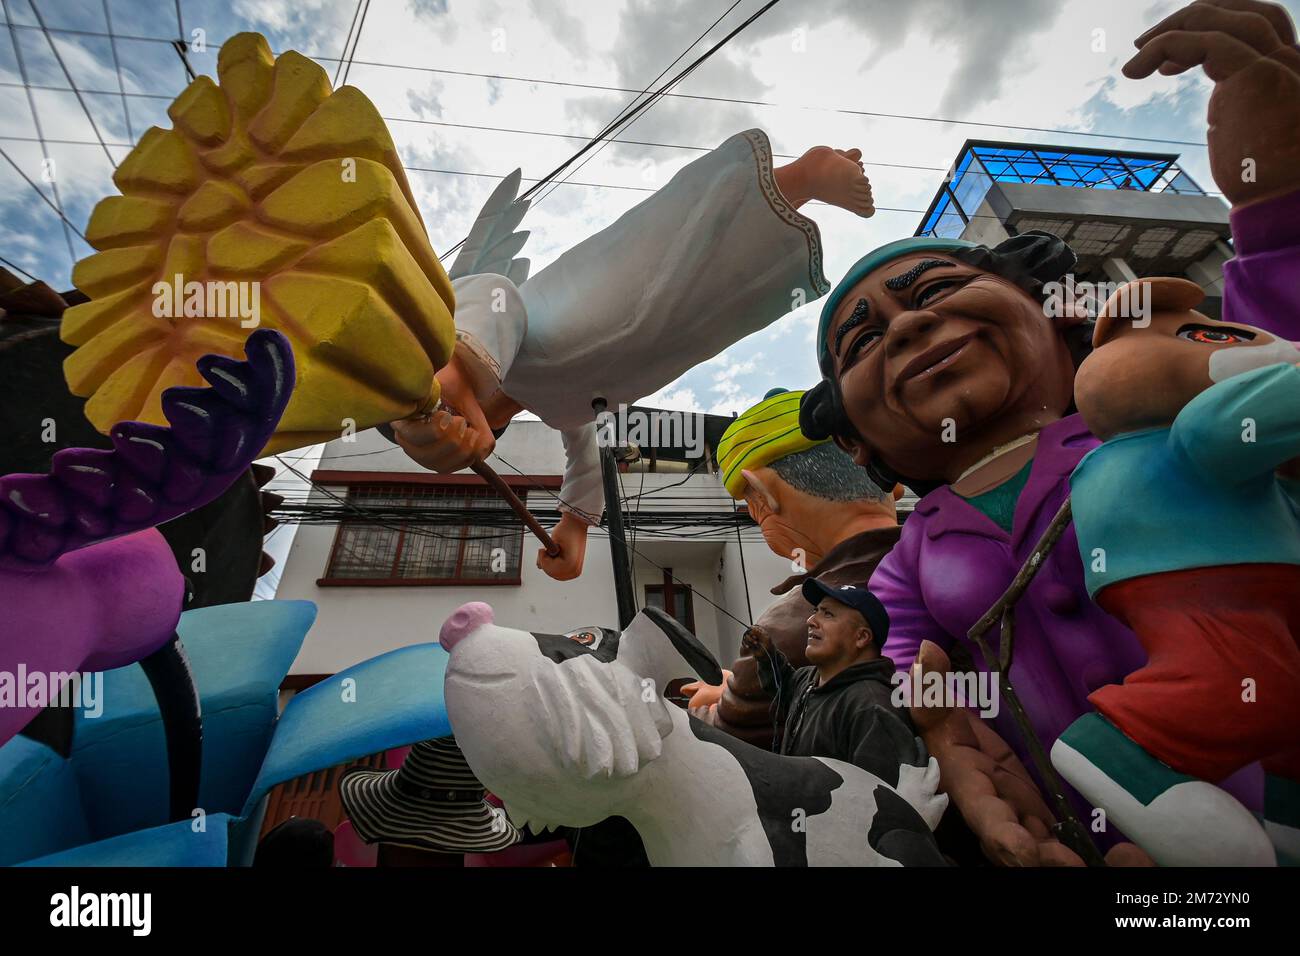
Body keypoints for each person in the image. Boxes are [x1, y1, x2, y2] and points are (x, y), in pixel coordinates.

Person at [798, 0, 1300, 864]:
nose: (910, 331)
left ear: (1045, 305)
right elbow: (913, 667)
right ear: (855, 441)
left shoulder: (1149, 423)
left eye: (931, 293)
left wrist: (1276, 203)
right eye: (866, 339)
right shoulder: (912, 552)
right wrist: (954, 746)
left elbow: (1274, 365)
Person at [388, 132, 875, 581]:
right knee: (711, 286)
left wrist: (451, 374)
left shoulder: (501, 335)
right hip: (660, 337)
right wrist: (575, 526)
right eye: (485, 421)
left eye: (471, 410)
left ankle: (804, 175)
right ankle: (797, 203)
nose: (487, 411)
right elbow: (586, 457)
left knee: (670, 240)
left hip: (598, 295)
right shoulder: (555, 406)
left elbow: (492, 293)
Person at [742, 578, 923, 793]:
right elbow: (787, 689)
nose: (810, 620)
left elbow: (878, 805)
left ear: (862, 637)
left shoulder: (871, 708)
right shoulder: (810, 679)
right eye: (816, 611)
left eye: (828, 614)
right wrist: (767, 657)